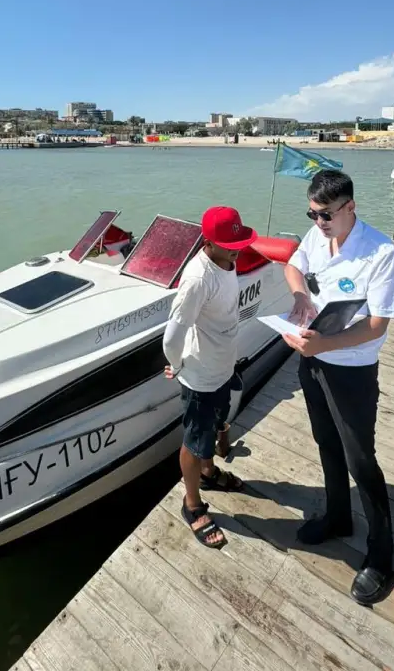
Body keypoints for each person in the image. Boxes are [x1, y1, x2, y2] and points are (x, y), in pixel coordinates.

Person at [283, 168, 394, 605]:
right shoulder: (317, 236)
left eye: (326, 214)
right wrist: (299, 296)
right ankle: (337, 517)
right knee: (325, 443)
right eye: (312, 214)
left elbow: (376, 325)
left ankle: (381, 555)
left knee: (361, 459)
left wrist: (326, 343)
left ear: (350, 206)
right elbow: (294, 265)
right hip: (313, 360)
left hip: (351, 368)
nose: (318, 222)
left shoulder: (381, 252)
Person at [162, 205, 257, 549]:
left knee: (210, 433)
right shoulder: (198, 280)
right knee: (194, 439)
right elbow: (172, 336)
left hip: (222, 366)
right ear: (208, 242)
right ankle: (192, 505)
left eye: (239, 242)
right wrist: (177, 364)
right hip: (200, 376)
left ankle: (207, 473)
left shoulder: (228, 261)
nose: (236, 249)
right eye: (227, 244)